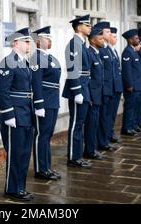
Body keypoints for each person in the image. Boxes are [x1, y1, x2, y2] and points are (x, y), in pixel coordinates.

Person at [0, 27, 35, 201]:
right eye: (26, 41)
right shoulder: (8, 62)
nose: (29, 44)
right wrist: (8, 114)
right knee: (15, 153)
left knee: (25, 153)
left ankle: (20, 187)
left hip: (27, 114)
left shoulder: (25, 62)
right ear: (15, 43)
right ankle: (12, 189)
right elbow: (2, 91)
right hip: (15, 116)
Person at [30, 26, 62, 181]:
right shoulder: (36, 58)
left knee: (47, 135)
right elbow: (36, 82)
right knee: (41, 135)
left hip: (53, 101)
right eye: (46, 37)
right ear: (37, 41)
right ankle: (40, 169)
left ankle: (47, 167)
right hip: (44, 101)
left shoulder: (48, 57)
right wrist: (39, 104)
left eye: (50, 37)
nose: (50, 40)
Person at [62, 15, 92, 168]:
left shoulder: (82, 43)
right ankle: (73, 157)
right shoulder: (74, 44)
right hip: (78, 88)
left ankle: (77, 155)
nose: (90, 27)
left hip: (84, 87)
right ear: (79, 27)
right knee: (76, 124)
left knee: (80, 124)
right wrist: (77, 91)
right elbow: (72, 69)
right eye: (87, 25)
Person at [84, 24, 106, 160]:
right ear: (92, 40)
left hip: (98, 95)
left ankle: (93, 148)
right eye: (100, 39)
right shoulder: (89, 54)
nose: (103, 41)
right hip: (92, 96)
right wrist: (90, 96)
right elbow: (88, 77)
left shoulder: (96, 54)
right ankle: (89, 150)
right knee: (91, 124)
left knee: (95, 123)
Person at [96, 22, 118, 151]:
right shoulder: (101, 50)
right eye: (107, 32)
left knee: (107, 116)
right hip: (103, 89)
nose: (109, 34)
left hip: (110, 89)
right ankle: (102, 142)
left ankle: (105, 140)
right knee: (103, 117)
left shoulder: (107, 49)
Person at [120, 29, 141, 137]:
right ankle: (127, 128)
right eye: (136, 38)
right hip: (131, 86)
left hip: (137, 85)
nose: (138, 39)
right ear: (130, 40)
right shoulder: (127, 52)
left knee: (134, 106)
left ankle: (132, 125)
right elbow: (127, 71)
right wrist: (129, 85)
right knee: (129, 107)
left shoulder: (134, 51)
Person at [107, 27, 123, 143]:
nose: (116, 38)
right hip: (110, 88)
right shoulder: (105, 50)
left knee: (112, 113)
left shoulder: (114, 50)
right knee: (108, 114)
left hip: (117, 87)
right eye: (113, 36)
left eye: (116, 36)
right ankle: (107, 134)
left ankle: (110, 132)